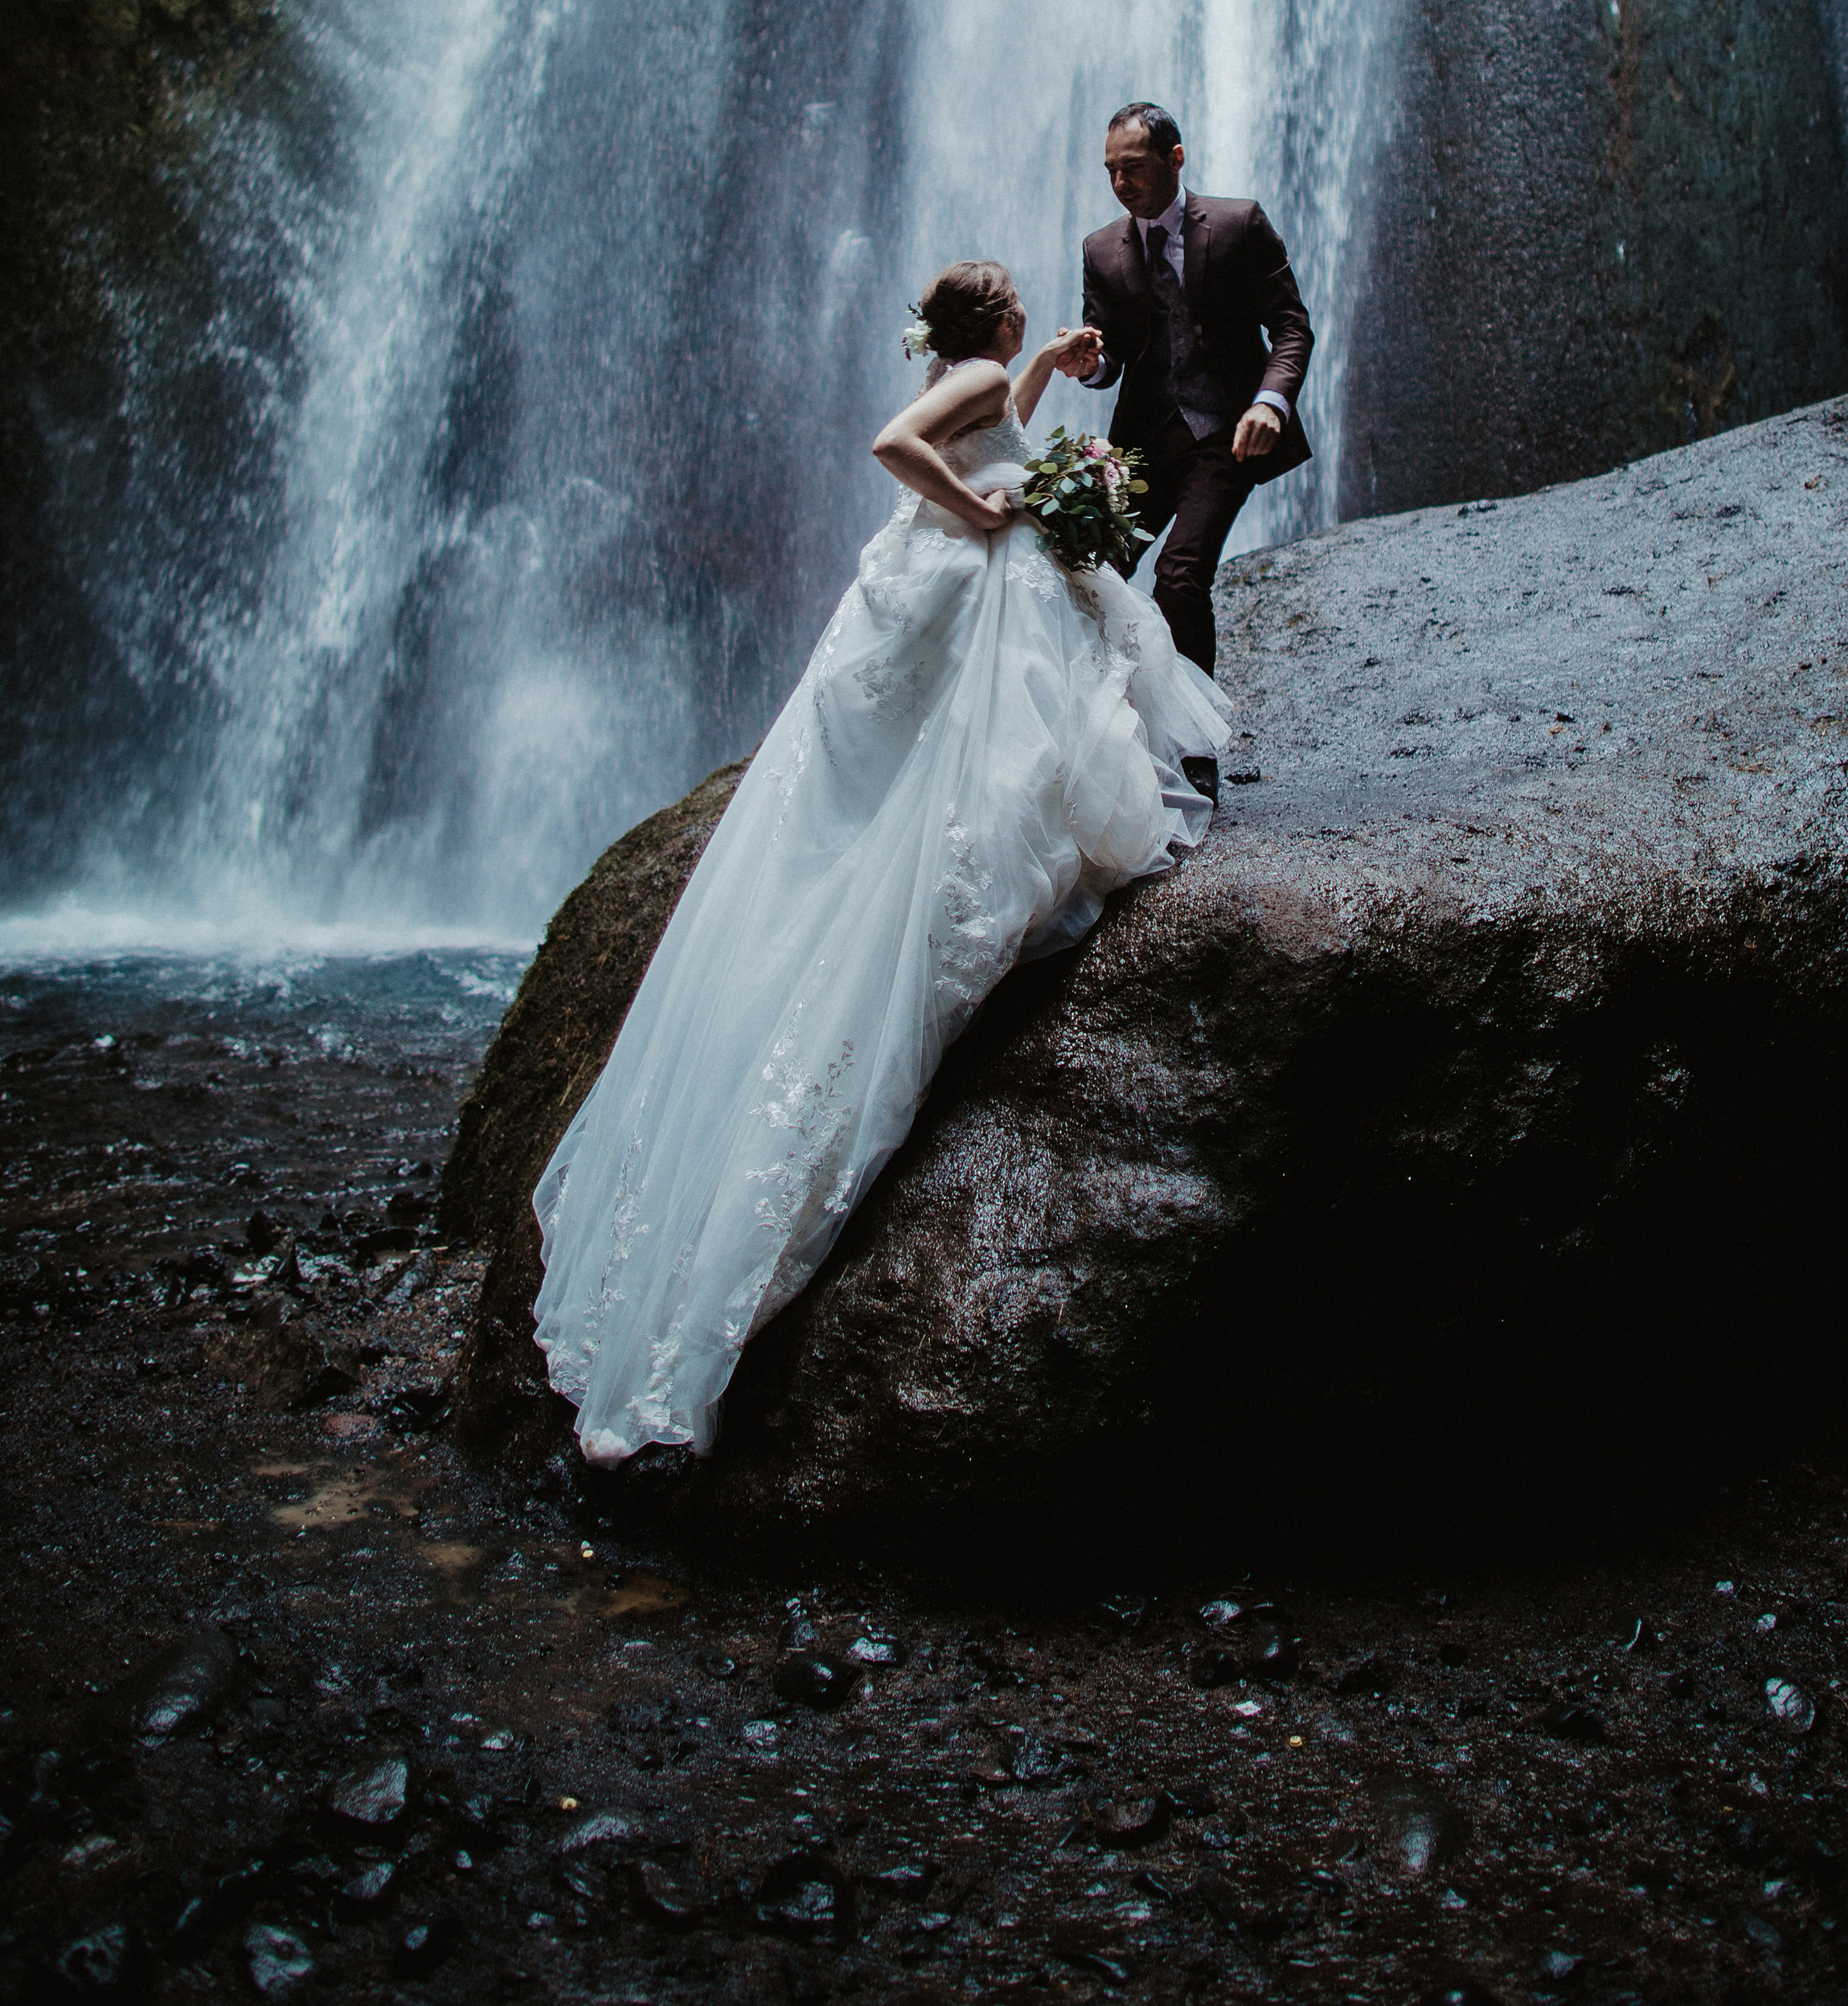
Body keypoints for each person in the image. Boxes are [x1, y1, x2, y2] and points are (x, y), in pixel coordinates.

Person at [531, 258, 1231, 1466]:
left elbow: (980, 422)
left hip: (961, 569)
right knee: (998, 744)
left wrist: (1046, 380)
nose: (1024, 308)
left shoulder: (982, 373)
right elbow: (902, 442)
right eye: (1013, 304)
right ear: (983, 320)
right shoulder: (960, 378)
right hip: (971, 571)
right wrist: (984, 513)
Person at [1080, 102, 1313, 691]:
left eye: (1132, 167)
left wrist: (1270, 403)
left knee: (1179, 576)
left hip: (1224, 439)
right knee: (1090, 570)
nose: (1120, 184)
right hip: (1142, 446)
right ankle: (1109, 727)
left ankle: (1197, 751)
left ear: (1175, 159)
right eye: (1110, 170)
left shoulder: (1239, 225)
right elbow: (1109, 356)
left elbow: (1290, 326)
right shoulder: (1101, 249)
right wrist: (1090, 364)